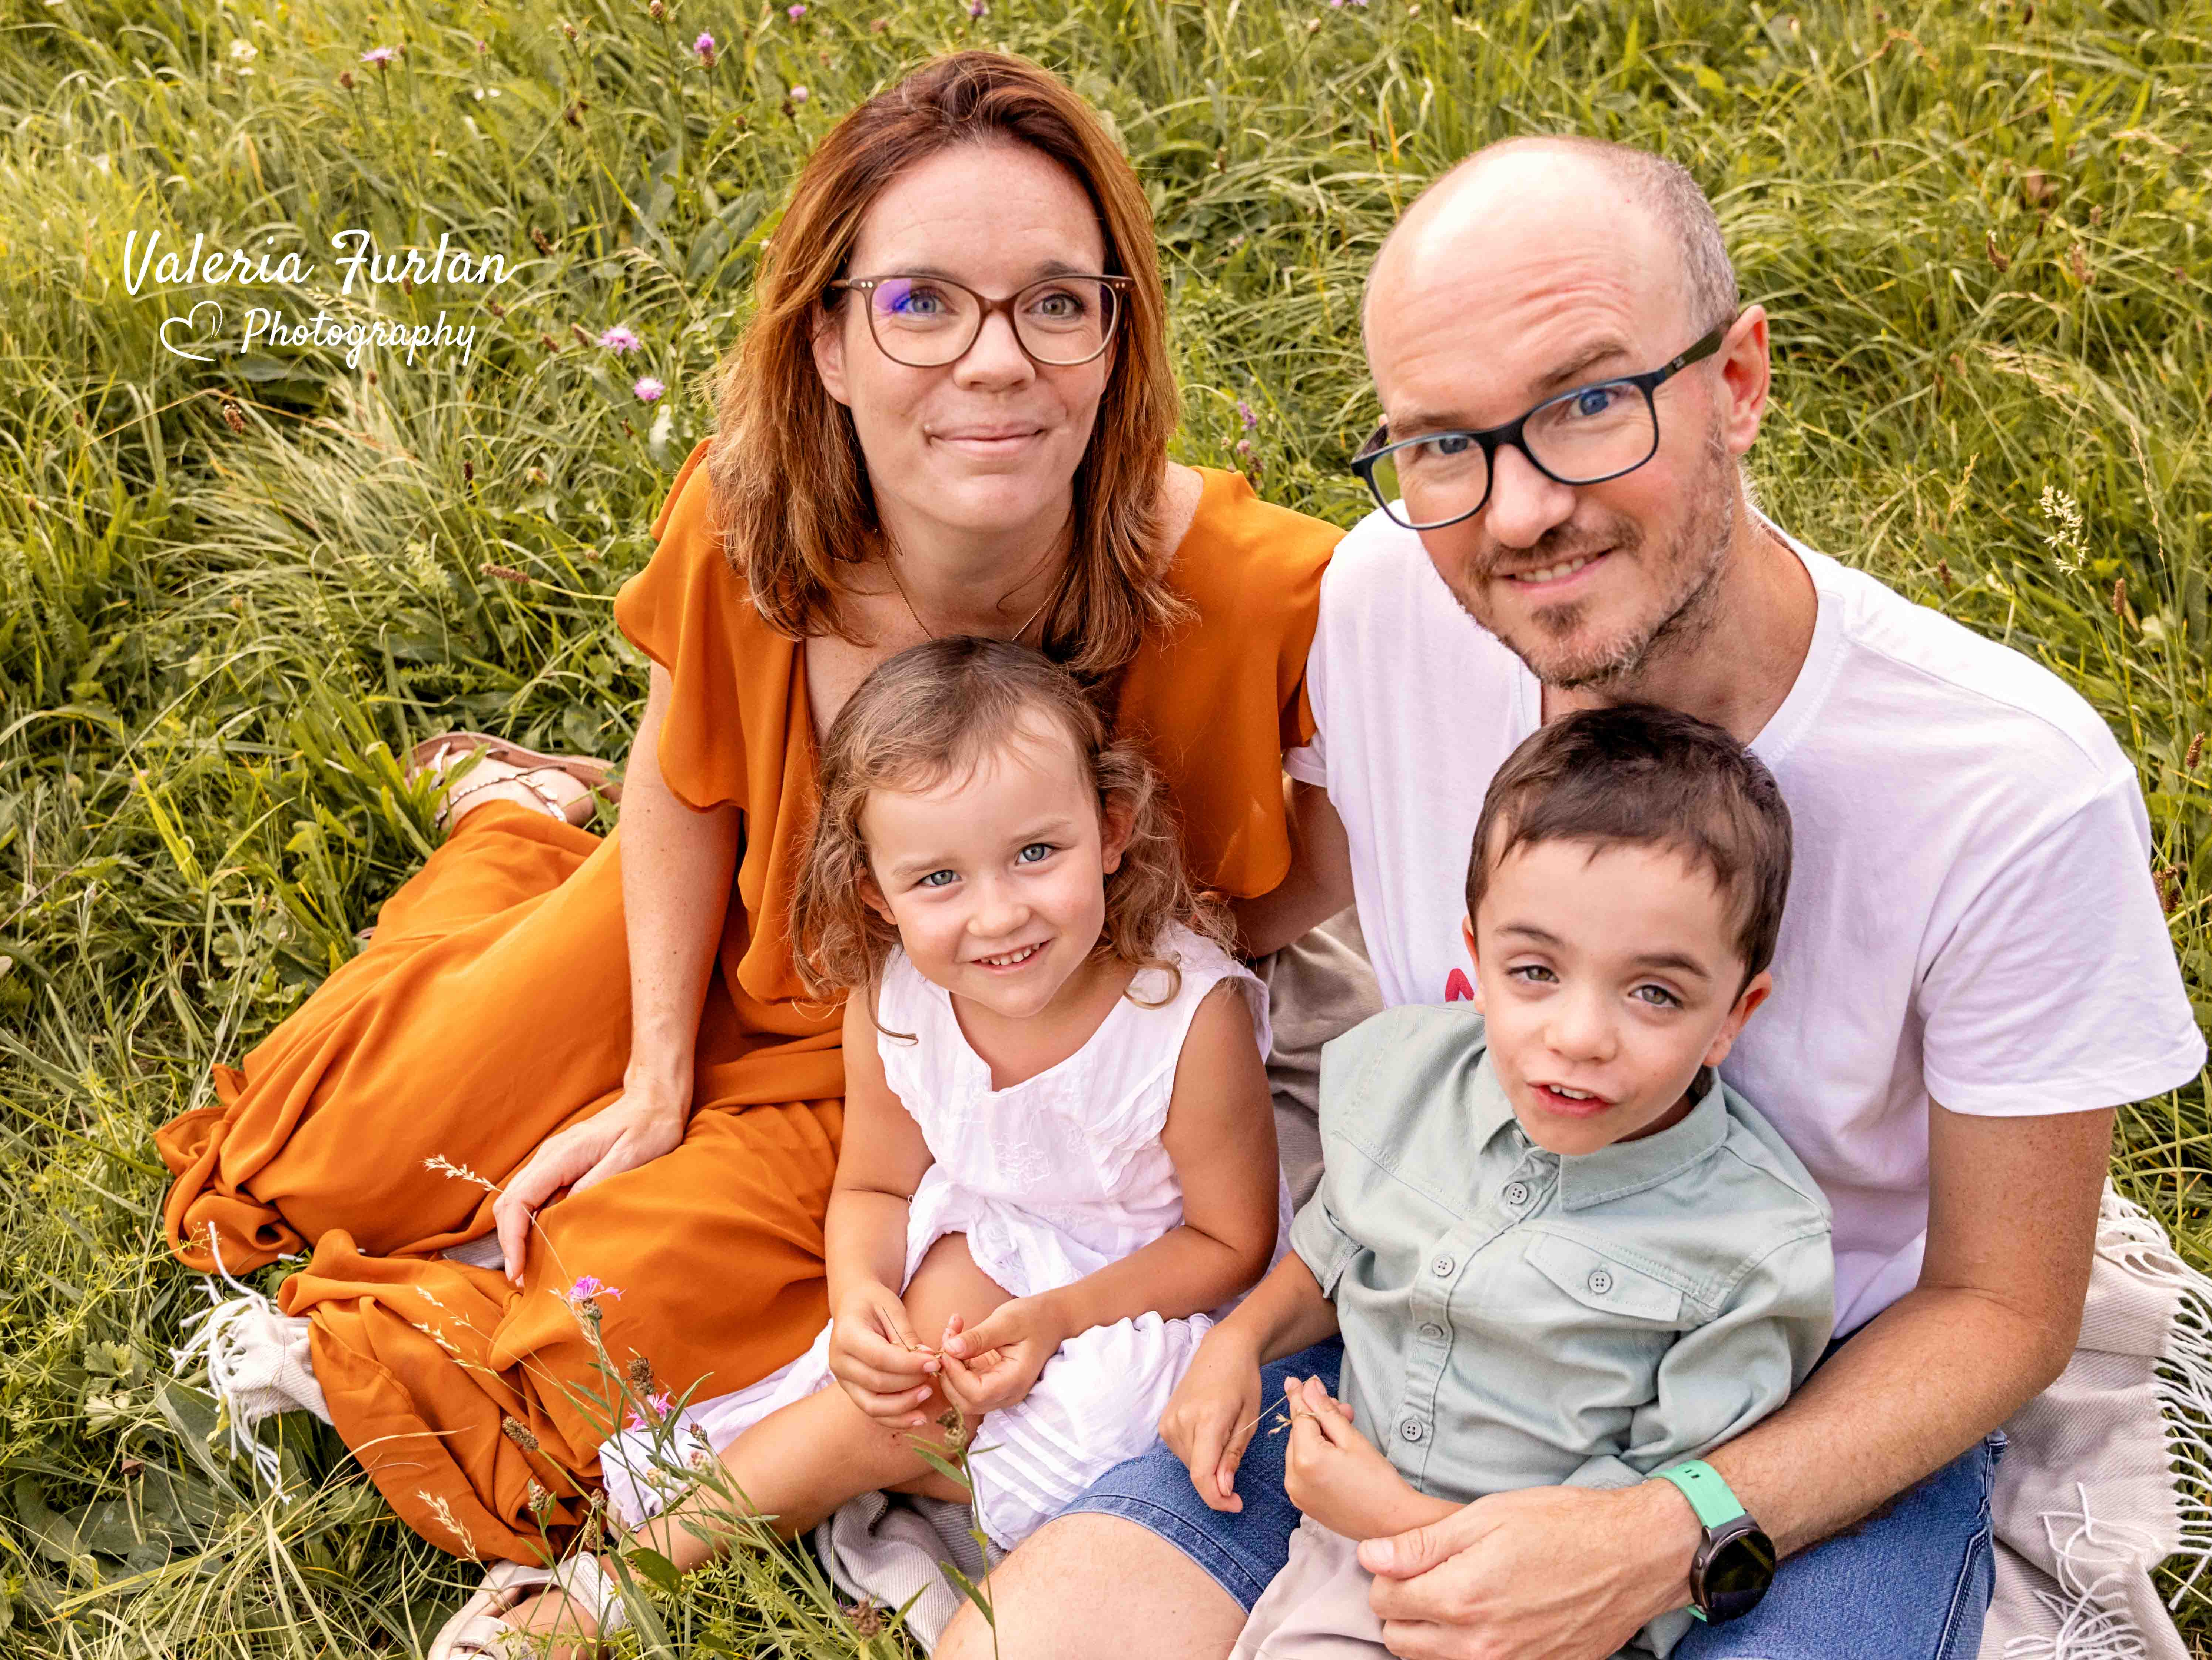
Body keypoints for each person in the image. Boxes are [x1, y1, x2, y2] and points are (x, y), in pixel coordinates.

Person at [946, 136, 2203, 1660]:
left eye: (1591, 403)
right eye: (1441, 444)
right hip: (1431, 1321)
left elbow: (2005, 1309)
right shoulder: (1392, 606)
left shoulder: (2007, 785)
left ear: (1737, 383)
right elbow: (1300, 872)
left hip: (1788, 1389)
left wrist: (1667, 1529)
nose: (1520, 508)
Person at [153, 50, 1339, 1568]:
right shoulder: (755, 517)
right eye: (922, 303)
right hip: (716, 920)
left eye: (1056, 301)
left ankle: (531, 845)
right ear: (831, 339)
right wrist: (653, 1076)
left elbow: (1423, 791)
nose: (996, 363)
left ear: (1114, 334)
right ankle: (515, 834)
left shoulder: (1242, 583)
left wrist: (1181, 943)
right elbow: (684, 766)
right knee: (320, 1158)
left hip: (906, 1047)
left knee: (578, 1336)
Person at [459, 639, 1286, 1654]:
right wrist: (860, 1298)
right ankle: (869, 1457)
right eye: (939, 877)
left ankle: (620, 1587)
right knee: (905, 1373)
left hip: (1149, 1301)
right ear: (878, 893)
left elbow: (1230, 1244)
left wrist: (1058, 1318)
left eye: (1038, 852)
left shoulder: (1181, 1019)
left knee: (916, 1412)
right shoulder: (894, 997)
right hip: (989, 1262)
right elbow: (878, 1187)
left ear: (1111, 829)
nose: (999, 913)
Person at [1170, 704, 1834, 1660]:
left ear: (1737, 1012)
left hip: (1555, 1622)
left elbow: (1657, 1523)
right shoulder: (1411, 1078)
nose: (1579, 1036)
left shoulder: (1751, 1248)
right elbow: (1340, 1243)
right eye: (1534, 971)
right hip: (1346, 1548)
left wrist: (1391, 1515)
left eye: (1655, 993)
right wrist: (1240, 1339)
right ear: (1474, 956)